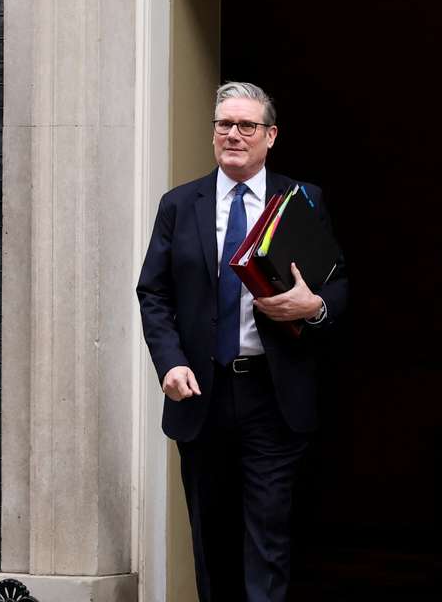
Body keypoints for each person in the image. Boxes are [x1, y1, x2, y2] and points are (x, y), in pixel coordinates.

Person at [136, 81, 348, 601]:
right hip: (201, 396)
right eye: (224, 124)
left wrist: (313, 307)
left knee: (267, 540)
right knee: (211, 540)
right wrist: (169, 363)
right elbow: (154, 292)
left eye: (246, 126)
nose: (233, 134)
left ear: (270, 136)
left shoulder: (300, 200)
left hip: (272, 398)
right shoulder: (179, 205)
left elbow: (337, 282)